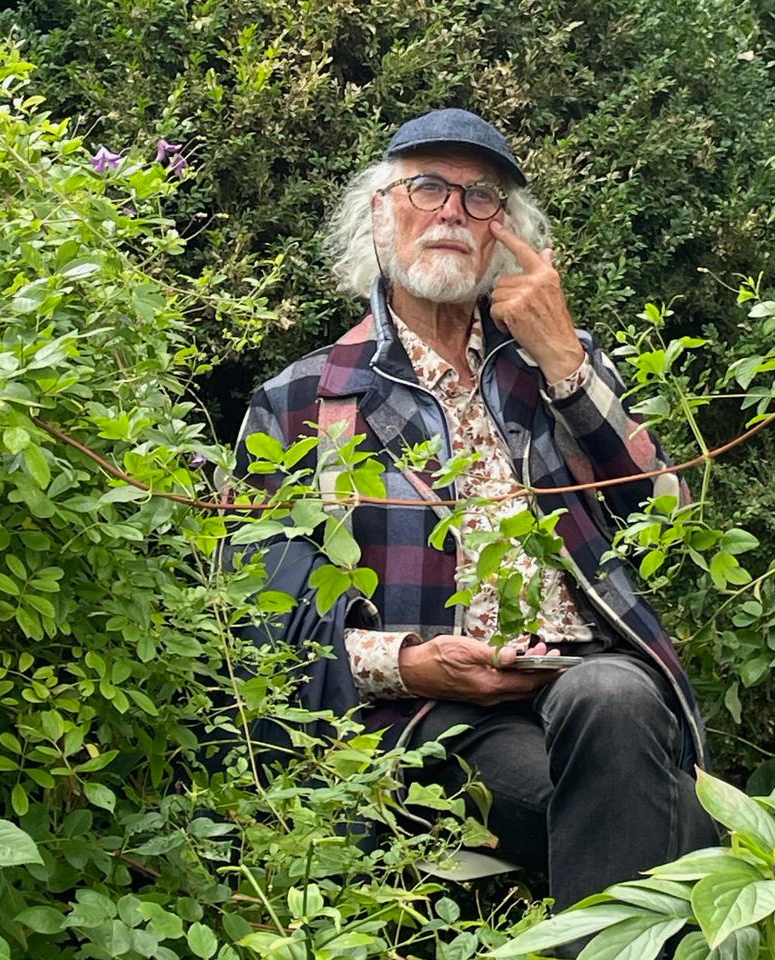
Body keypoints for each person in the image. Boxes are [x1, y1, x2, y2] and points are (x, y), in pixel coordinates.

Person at [233, 108, 716, 916]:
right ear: (381, 214)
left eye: (482, 196)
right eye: (427, 187)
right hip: (435, 709)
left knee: (619, 695)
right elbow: (263, 629)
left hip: (584, 676)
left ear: (506, 235)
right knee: (692, 828)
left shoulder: (557, 363)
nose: (454, 210)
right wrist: (413, 663)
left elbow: (671, 520)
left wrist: (565, 358)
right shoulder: (306, 401)